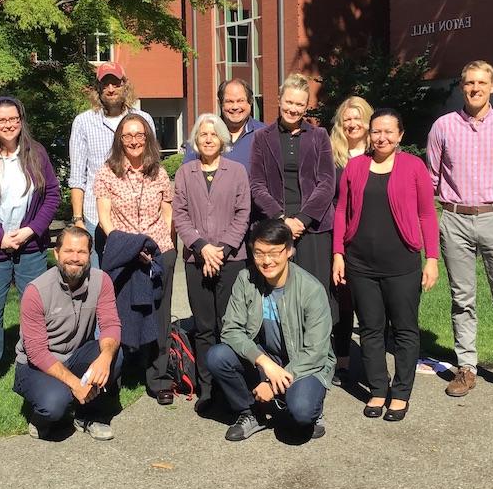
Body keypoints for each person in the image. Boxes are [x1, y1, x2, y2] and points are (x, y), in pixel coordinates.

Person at [426, 60, 493, 400]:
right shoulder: (443, 126)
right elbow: (433, 175)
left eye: (481, 83)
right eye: (469, 82)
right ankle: (466, 368)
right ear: (462, 86)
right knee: (462, 299)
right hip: (454, 219)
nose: (475, 88)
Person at [332, 108, 439, 421]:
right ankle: (378, 389)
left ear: (400, 135)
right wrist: (338, 253)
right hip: (360, 263)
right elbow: (341, 211)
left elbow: (427, 215)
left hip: (402, 263)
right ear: (369, 133)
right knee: (370, 329)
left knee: (404, 330)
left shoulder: (413, 166)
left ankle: (401, 392)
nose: (382, 137)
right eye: (376, 131)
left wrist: (431, 258)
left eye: (389, 131)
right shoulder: (355, 166)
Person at [0, 97, 60, 397]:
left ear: (21, 119)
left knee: (37, 311)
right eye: (1, 120)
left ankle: (38, 361)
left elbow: (52, 195)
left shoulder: (36, 154)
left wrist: (31, 230)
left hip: (31, 249)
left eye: (12, 119)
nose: (7, 125)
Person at [206, 218, 334, 441]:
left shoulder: (311, 289)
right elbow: (230, 329)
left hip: (304, 362)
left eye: (274, 252)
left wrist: (272, 386)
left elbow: (316, 351)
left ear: (289, 251)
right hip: (267, 357)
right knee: (217, 356)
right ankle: (251, 412)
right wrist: (264, 363)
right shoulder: (246, 279)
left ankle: (312, 408)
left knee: (302, 413)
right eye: (259, 253)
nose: (266, 261)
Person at [93, 114, 176, 404]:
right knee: (119, 315)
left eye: (139, 134)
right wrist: (131, 247)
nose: (134, 141)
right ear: (119, 139)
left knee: (160, 315)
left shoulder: (159, 172)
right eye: (127, 135)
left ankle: (159, 378)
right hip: (124, 253)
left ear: (148, 138)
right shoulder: (107, 173)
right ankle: (115, 374)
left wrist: (156, 247)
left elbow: (168, 214)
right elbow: (105, 219)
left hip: (159, 252)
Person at [13, 226, 122, 441]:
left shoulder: (102, 281)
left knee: (115, 355)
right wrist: (76, 384)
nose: (75, 258)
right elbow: (35, 352)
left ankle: (89, 416)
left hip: (76, 355)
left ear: (90, 255)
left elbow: (110, 324)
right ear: (56, 253)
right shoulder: (36, 291)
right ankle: (41, 418)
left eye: (81, 252)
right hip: (37, 365)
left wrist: (105, 358)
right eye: (68, 251)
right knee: (55, 405)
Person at [173, 113, 251, 411]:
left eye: (213, 134)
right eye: (202, 134)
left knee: (228, 326)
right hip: (196, 259)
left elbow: (242, 213)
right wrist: (203, 248)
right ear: (195, 140)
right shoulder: (185, 172)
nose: (208, 139)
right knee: (204, 327)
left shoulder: (237, 171)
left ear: (223, 139)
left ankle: (229, 386)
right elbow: (180, 214)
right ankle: (207, 389)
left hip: (231, 260)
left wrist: (220, 250)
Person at [250, 73, 336, 295]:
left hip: (313, 227)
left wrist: (302, 219)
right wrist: (282, 219)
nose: (293, 109)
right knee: (277, 290)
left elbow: (326, 182)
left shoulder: (319, 136)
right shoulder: (261, 137)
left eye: (299, 104)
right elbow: (257, 184)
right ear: (279, 100)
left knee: (314, 291)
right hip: (276, 223)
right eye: (289, 102)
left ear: (306, 106)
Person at [68, 62, 155, 264]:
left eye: (115, 83)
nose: (110, 89)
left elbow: (152, 168)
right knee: (98, 282)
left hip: (136, 217)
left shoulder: (144, 119)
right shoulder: (83, 122)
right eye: (105, 84)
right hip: (94, 217)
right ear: (98, 88)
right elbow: (77, 177)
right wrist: (78, 219)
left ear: (125, 85)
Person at [327, 95, 374, 384]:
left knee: (371, 305)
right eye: (348, 119)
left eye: (358, 118)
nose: (353, 123)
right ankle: (342, 362)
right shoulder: (332, 154)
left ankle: (373, 365)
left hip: (374, 237)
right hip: (342, 236)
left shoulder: (378, 152)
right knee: (342, 301)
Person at [182, 78, 266, 169]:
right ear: (220, 104)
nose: (235, 107)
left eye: (240, 101)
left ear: (250, 102)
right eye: (229, 101)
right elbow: (187, 174)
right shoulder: (204, 134)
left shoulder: (264, 135)